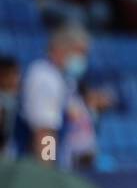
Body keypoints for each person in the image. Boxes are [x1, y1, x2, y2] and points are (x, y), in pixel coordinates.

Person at [13, 22, 90, 166]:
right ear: (60, 50)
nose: (83, 59)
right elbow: (45, 132)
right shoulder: (44, 78)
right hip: (31, 169)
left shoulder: (63, 78)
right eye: (80, 53)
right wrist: (46, 171)